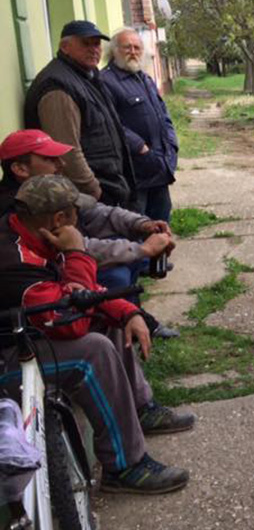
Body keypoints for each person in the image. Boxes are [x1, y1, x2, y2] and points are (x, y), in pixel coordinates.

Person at [0, 175, 192, 494]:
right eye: (76, 214)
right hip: (8, 361)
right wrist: (78, 253)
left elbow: (77, 295)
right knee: (93, 351)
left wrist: (127, 311)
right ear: (60, 218)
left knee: (111, 317)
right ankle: (124, 466)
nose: (80, 222)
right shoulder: (14, 262)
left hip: (27, 336)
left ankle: (140, 408)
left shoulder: (34, 232)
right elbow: (69, 319)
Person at [0, 129, 180, 339]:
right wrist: (141, 249)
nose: (61, 164)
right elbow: (74, 248)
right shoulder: (16, 209)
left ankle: (138, 320)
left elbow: (96, 211)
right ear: (20, 168)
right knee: (115, 279)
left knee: (122, 275)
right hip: (43, 315)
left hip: (66, 278)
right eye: (50, 159)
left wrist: (142, 224)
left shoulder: (51, 189)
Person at [23, 20, 136, 207]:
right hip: (90, 195)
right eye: (85, 43)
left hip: (108, 186)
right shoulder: (58, 86)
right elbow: (66, 150)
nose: (94, 49)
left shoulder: (87, 76)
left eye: (97, 43)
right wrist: (93, 189)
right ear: (65, 47)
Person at [101, 29, 178, 222]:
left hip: (159, 166)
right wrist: (140, 148)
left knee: (161, 221)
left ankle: (160, 253)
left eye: (137, 47)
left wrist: (172, 143)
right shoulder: (105, 82)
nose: (133, 52)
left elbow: (163, 115)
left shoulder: (145, 79)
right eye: (127, 47)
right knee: (138, 225)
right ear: (114, 50)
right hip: (135, 172)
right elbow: (110, 123)